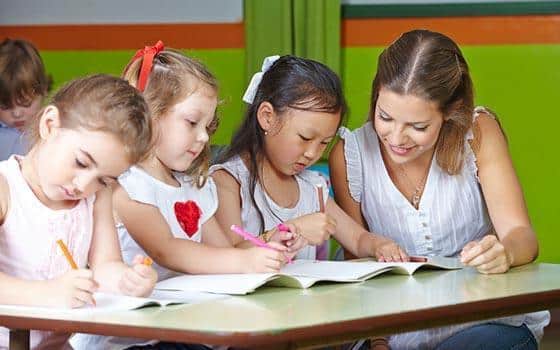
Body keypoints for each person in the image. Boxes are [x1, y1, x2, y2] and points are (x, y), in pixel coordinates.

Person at [329, 29, 549, 350]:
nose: (397, 138)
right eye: (385, 117)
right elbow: (358, 267)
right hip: (391, 327)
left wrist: (505, 252)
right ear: (376, 96)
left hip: (481, 320)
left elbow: (521, 236)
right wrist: (378, 340)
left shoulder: (477, 134)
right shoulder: (349, 155)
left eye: (418, 127)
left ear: (450, 112)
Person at [71, 42, 287, 350]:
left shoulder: (194, 186)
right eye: (191, 122)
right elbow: (167, 250)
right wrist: (244, 260)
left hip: (180, 327)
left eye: (208, 126)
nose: (203, 137)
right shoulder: (127, 185)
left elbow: (222, 250)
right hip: (127, 339)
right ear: (149, 114)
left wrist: (266, 246)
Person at [0, 74, 157, 349]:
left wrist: (127, 281)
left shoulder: (96, 198)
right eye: (81, 162)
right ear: (50, 125)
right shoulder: (6, 188)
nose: (83, 185)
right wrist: (47, 293)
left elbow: (105, 266)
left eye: (104, 179)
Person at [211, 55, 404, 265]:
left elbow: (357, 239)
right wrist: (293, 230)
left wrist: (380, 245)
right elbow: (227, 257)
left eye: (324, 142)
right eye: (305, 138)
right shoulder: (228, 181)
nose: (313, 153)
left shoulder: (313, 188)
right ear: (267, 117)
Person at [0, 38, 51, 160]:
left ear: (43, 91)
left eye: (26, 103)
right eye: (4, 106)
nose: (17, 113)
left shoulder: (50, 128)